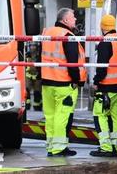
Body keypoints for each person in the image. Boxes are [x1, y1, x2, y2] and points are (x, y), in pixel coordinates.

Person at [41, 8, 85, 157]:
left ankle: (51, 146)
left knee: (50, 117)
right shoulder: (67, 36)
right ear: (65, 20)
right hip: (64, 83)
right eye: (73, 17)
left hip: (47, 82)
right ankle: (59, 148)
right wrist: (76, 81)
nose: (75, 19)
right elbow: (72, 63)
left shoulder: (47, 33)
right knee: (62, 116)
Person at [91, 14, 117, 158]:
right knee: (115, 117)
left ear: (102, 27)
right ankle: (115, 146)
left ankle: (105, 147)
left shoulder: (105, 42)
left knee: (99, 115)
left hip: (105, 87)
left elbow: (102, 67)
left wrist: (96, 81)